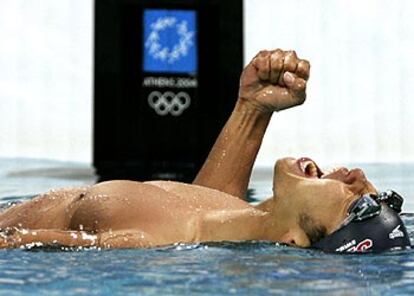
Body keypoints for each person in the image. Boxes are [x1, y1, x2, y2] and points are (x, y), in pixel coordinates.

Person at [0, 49, 410, 252]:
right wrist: (253, 109)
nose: (355, 176)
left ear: (293, 240)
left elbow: (14, 245)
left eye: (354, 202)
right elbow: (206, 207)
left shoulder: (149, 243)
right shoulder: (218, 220)